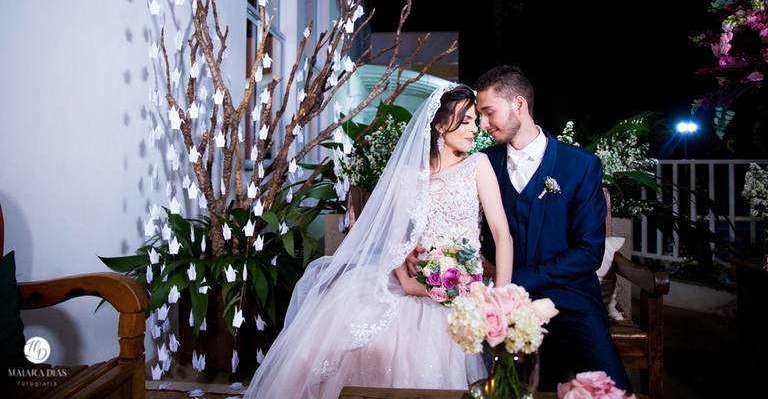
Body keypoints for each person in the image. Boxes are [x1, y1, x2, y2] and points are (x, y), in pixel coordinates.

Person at [244, 84, 514, 399]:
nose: (474, 128)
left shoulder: (477, 166)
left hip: (461, 289)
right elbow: (393, 238)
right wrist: (411, 282)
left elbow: (501, 235)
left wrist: (502, 302)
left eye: (474, 120)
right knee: (354, 341)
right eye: (465, 121)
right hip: (414, 284)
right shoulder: (406, 176)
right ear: (440, 125)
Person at [471, 65, 631, 392]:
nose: (483, 125)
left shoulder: (581, 165)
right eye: (480, 116)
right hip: (506, 306)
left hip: (571, 301)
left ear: (518, 104)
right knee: (507, 390)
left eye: (489, 113)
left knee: (612, 390)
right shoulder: (484, 163)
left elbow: (588, 253)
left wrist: (518, 279)